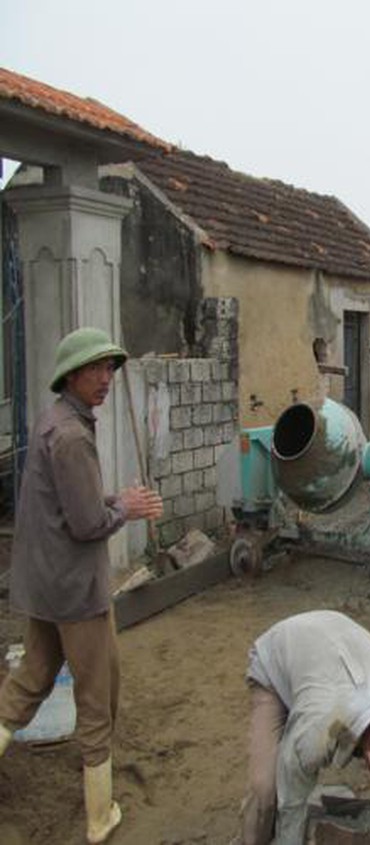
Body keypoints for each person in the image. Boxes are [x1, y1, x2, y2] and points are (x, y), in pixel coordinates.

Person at [0, 327, 163, 844]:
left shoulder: (55, 424)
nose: (106, 379)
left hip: (46, 584)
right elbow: (87, 523)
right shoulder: (72, 436)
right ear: (71, 374)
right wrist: (126, 508)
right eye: (97, 369)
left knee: (33, 677)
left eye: (111, 369)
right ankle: (99, 818)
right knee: (98, 696)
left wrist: (112, 499)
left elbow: (72, 504)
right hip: (74, 590)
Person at [240, 611, 370, 845]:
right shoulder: (318, 734)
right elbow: (292, 802)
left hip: (332, 643)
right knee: (265, 788)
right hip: (278, 657)